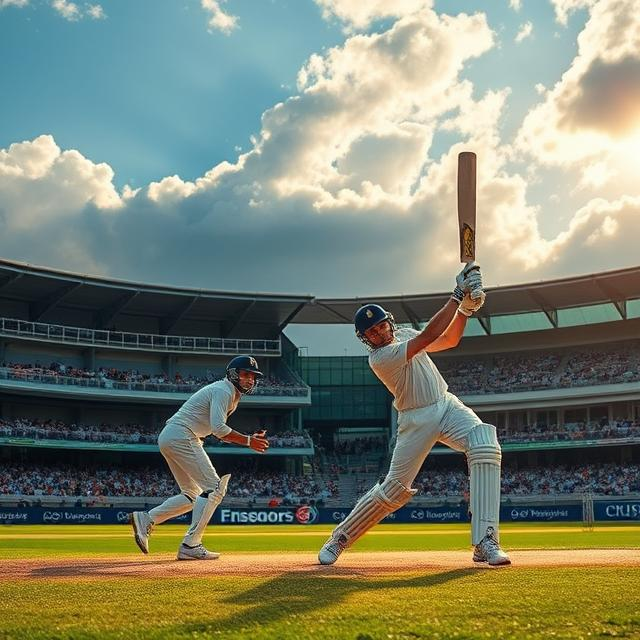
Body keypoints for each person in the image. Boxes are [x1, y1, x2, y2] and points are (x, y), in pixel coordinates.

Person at [318, 263, 511, 566]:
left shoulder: (403, 332)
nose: (380, 332)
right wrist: (458, 295)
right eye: (372, 331)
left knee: (485, 444)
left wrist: (465, 312)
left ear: (388, 322)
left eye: (381, 325)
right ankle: (340, 538)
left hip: (445, 404)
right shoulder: (380, 358)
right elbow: (426, 339)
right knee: (394, 490)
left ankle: (486, 541)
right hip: (415, 419)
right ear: (365, 338)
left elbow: (447, 340)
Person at [130, 355, 269, 561]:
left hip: (172, 436)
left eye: (253, 377)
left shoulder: (229, 393)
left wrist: (246, 439)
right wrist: (249, 441)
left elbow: (218, 431)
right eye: (246, 374)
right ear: (233, 374)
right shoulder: (223, 391)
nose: (251, 380)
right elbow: (219, 429)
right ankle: (191, 544)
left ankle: (147, 519)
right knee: (215, 488)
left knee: (192, 496)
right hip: (182, 435)